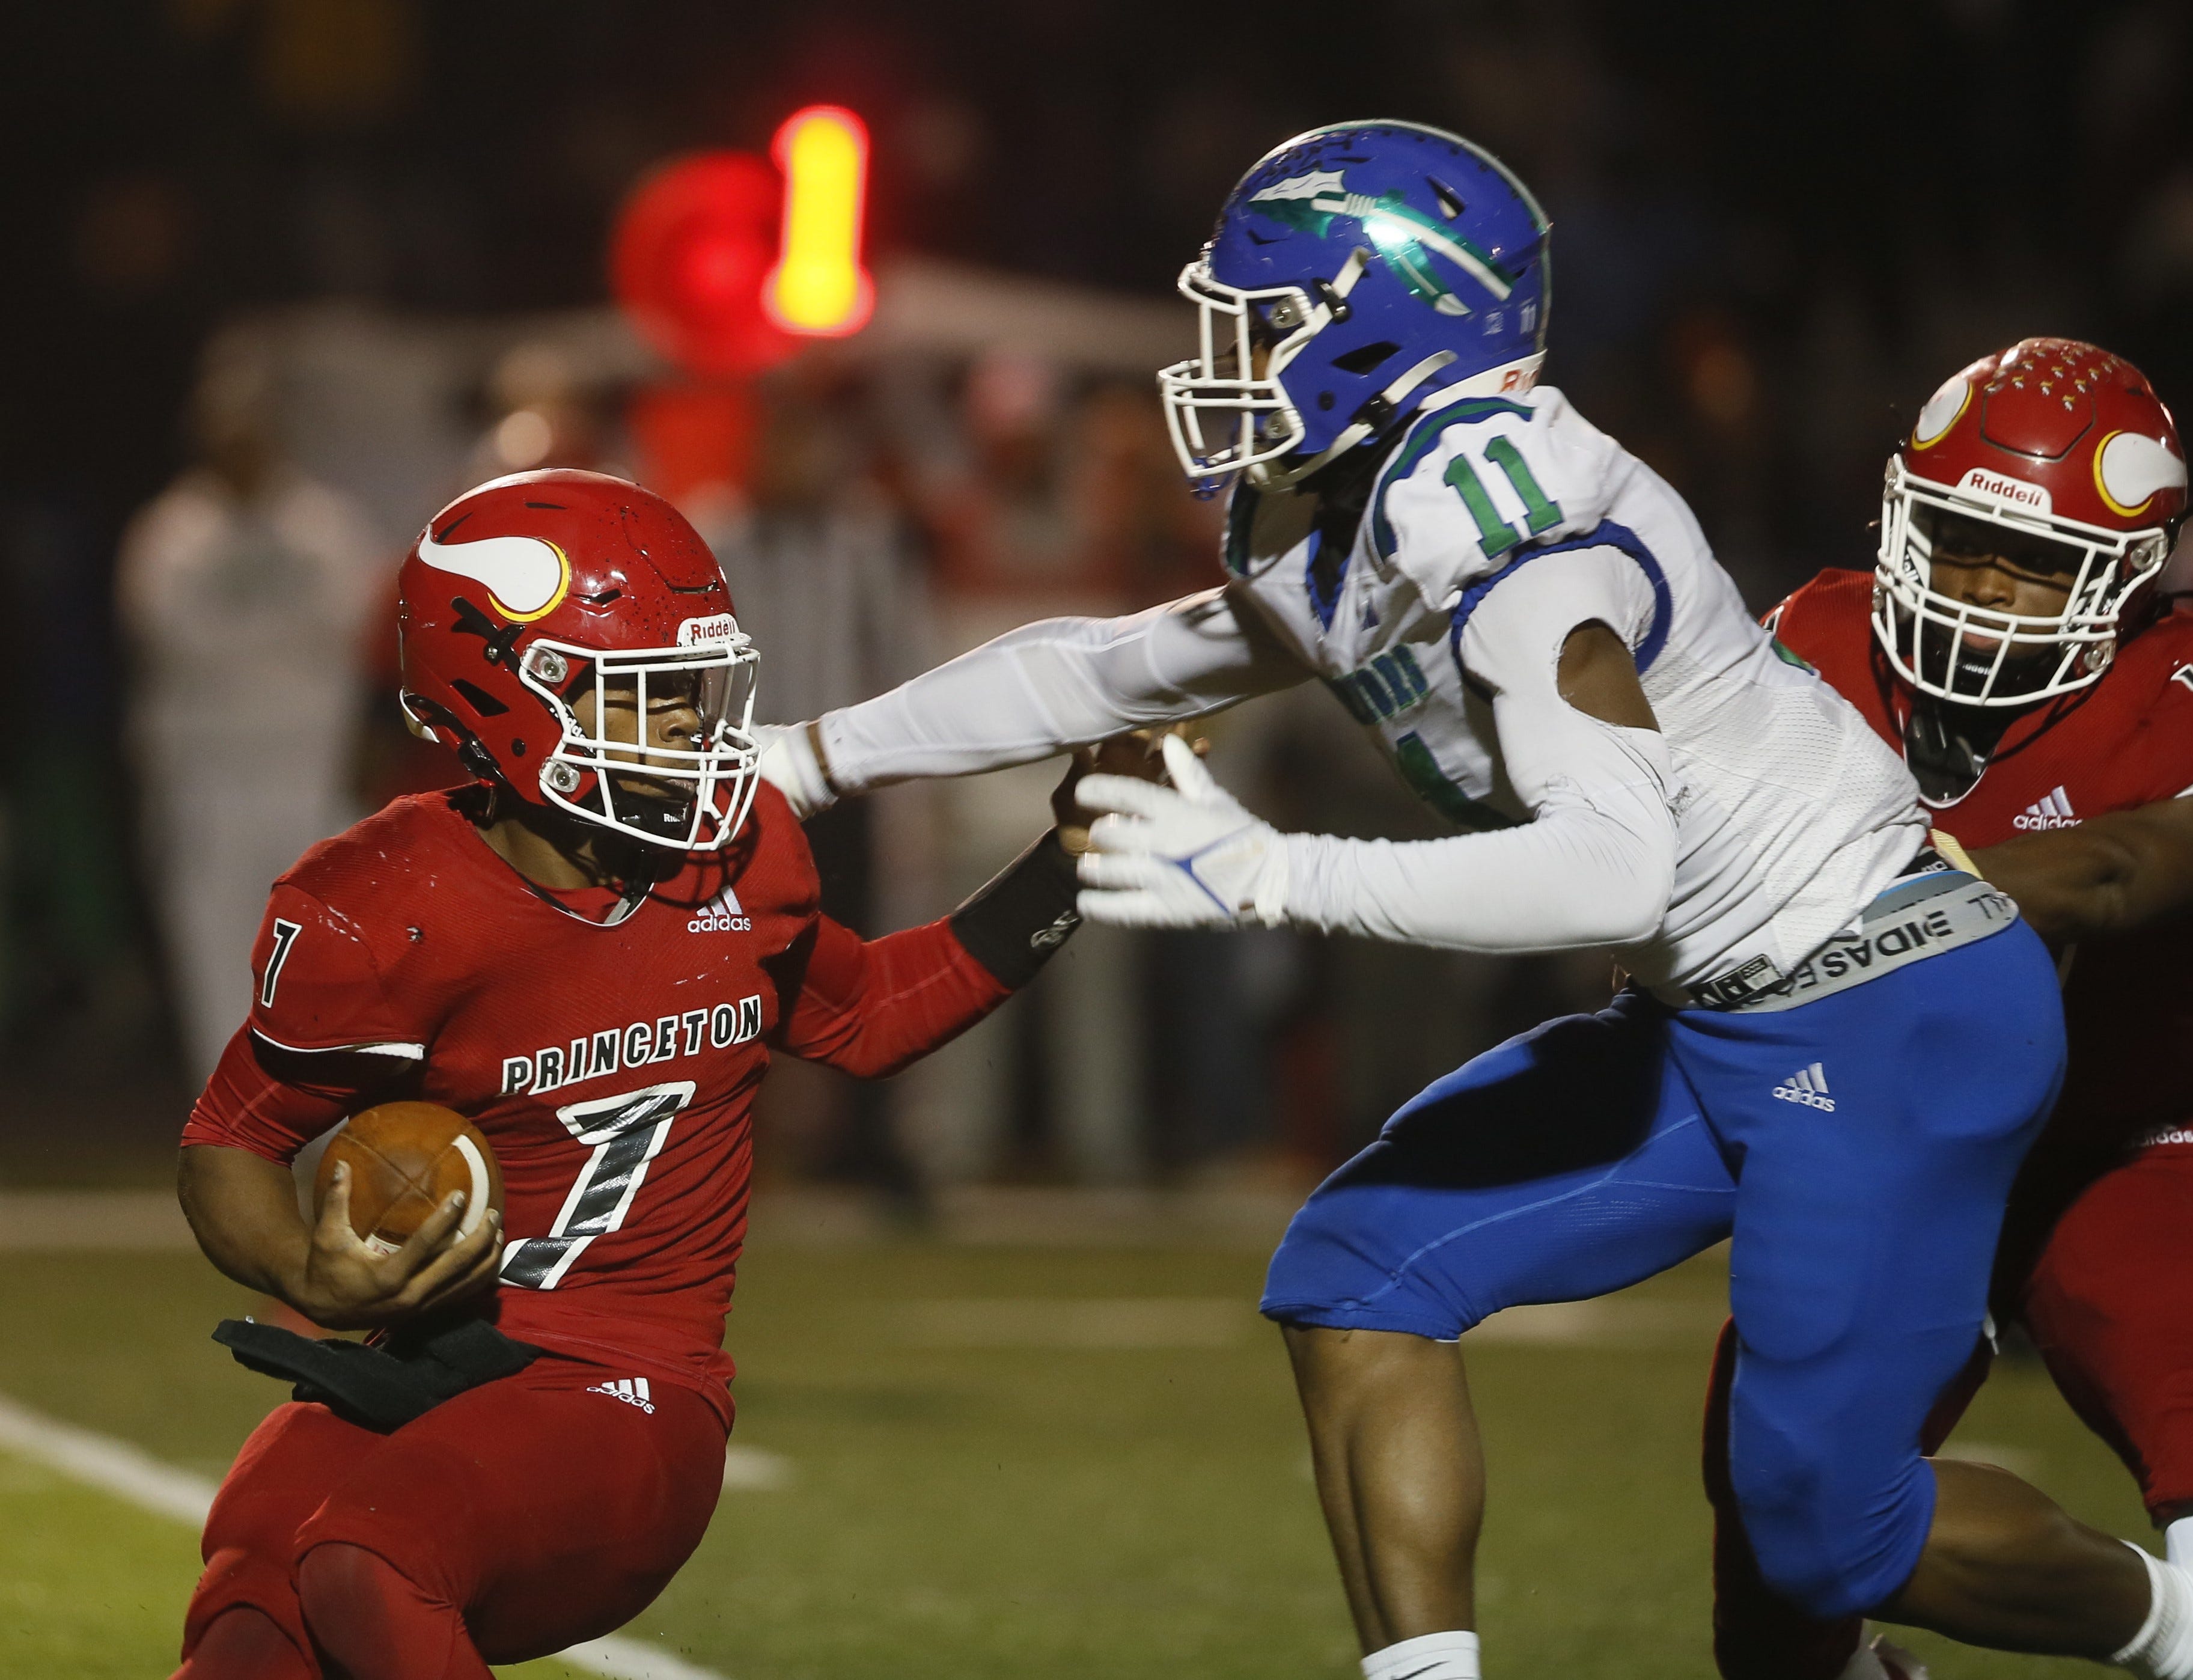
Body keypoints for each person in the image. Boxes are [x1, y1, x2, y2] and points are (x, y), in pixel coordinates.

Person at [757, 121, 2193, 1678]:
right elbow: (1110, 664)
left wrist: (1265, 871)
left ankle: (2175, 1626)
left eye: (1263, 316)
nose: (1223, 353)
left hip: (1889, 997)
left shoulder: (1520, 546)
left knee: (1824, 1532)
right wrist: (810, 758)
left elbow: (1614, 862)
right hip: (1727, 1006)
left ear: (1383, 325)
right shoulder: (1362, 498)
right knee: (1358, 1272)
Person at [168, 469, 1111, 1679]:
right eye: (650, 693)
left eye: (695, 691)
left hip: (629, 1385)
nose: (694, 729)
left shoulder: (736, 856)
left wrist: (1069, 863)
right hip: (428, 1358)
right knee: (251, 1580)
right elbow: (231, 1135)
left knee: (368, 1552)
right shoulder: (386, 907)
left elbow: (867, 1010)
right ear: (509, 700)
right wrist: (310, 1267)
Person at [1705, 339, 2193, 1680]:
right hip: (1888, 1150)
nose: (1983, 592)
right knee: (1772, 1569)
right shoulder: (1810, 636)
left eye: (2034, 564)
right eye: (1965, 540)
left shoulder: (2176, 689)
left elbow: (2119, 864)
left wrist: (1878, 897)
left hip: (2132, 1134)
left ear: (2132, 578)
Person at [119, 332, 386, 1080]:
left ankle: (331, 1128)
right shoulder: (167, 536)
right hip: (209, 777)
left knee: (326, 957)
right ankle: (233, 1138)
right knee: (216, 958)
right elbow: (180, 641)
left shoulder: (328, 527)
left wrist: (251, 641)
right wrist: (287, 640)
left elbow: (356, 634)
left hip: (311, 773)